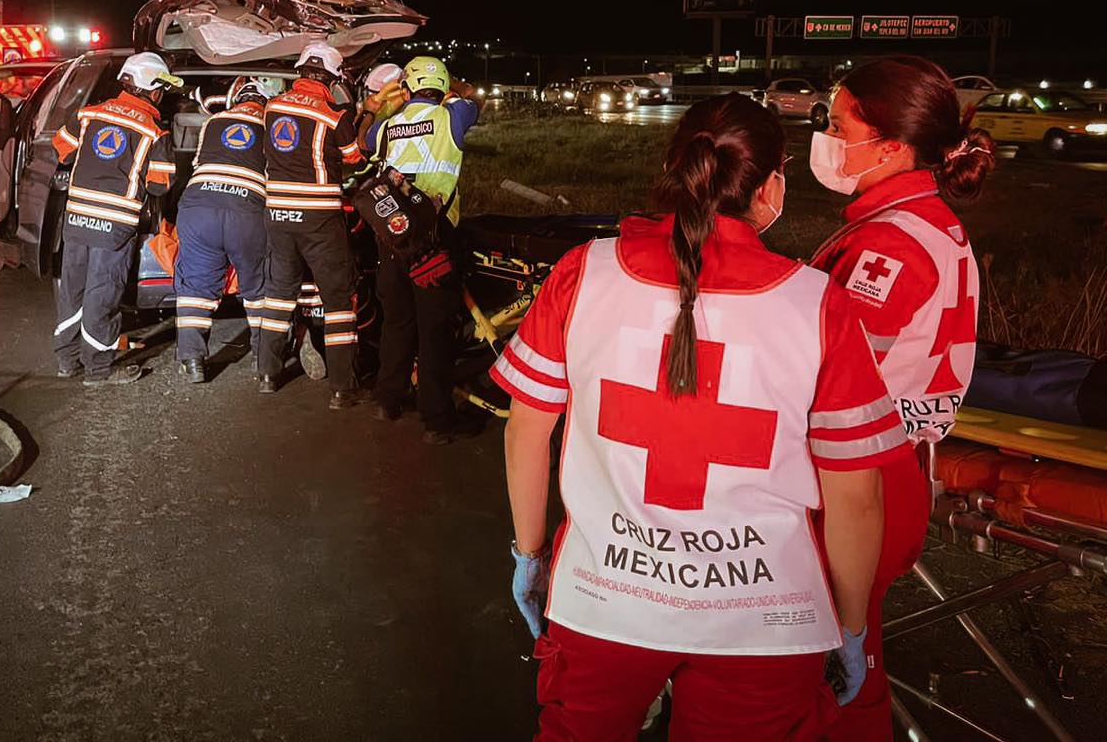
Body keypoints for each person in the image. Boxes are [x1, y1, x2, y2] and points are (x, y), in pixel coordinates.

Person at [499, 93, 909, 740]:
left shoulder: (585, 274)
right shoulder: (817, 305)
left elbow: (527, 428)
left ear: (678, 167)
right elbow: (856, 497)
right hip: (765, 625)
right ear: (770, 185)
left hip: (603, 602)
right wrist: (849, 626)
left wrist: (529, 553)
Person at [808, 55, 996, 740]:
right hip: (887, 477)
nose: (823, 137)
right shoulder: (915, 219)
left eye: (835, 124)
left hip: (854, 486)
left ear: (889, 146)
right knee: (848, 673)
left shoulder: (889, 246)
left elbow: (826, 383)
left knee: (818, 683)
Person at [361, 55, 483, 443]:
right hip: (435, 237)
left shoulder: (388, 125)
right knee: (434, 331)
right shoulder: (453, 117)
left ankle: (387, 400)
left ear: (408, 87)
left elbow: (366, 140)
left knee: (397, 322)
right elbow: (472, 98)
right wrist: (454, 86)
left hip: (391, 237)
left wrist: (386, 106)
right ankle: (437, 421)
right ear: (442, 84)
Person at [52, 52, 181, 386]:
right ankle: (97, 370)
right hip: (114, 225)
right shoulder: (155, 132)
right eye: (160, 90)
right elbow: (159, 185)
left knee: (72, 291)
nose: (160, 96)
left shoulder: (88, 113)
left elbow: (61, 149)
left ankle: (66, 360)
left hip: (77, 218)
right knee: (102, 294)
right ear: (151, 88)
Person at [256, 41, 365, 406]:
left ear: (300, 71)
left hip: (278, 215)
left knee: (279, 295)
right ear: (333, 78)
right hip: (319, 217)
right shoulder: (335, 115)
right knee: (337, 300)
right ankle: (341, 388)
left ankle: (268, 374)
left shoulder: (272, 108)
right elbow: (354, 159)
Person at [173, 75, 282, 384]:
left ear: (237, 98)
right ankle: (266, 368)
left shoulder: (216, 121)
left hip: (199, 205)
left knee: (195, 286)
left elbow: (197, 163)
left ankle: (193, 361)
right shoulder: (275, 128)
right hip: (246, 210)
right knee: (259, 288)